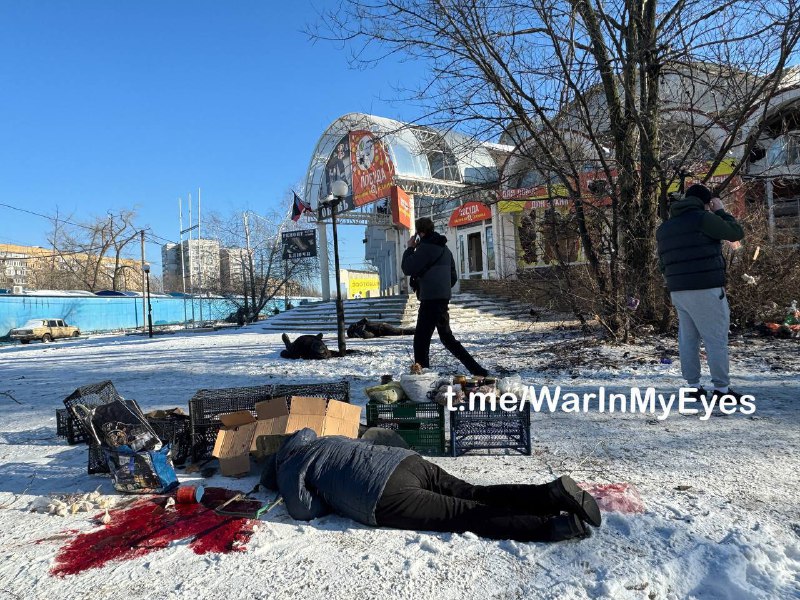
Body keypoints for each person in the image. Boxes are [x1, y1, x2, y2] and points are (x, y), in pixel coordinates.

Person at [261, 429, 601, 543]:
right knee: (473, 492)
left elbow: (304, 510)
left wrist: (326, 498)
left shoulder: (289, 468)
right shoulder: (323, 439)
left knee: (464, 514)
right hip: (405, 461)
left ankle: (556, 526)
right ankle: (550, 494)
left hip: (382, 494)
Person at [656, 183, 745, 401]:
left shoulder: (665, 228)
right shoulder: (704, 219)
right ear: (706, 203)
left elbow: (662, 263)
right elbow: (735, 233)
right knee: (715, 339)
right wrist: (721, 211)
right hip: (706, 288)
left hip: (678, 290)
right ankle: (722, 390)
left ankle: (693, 386)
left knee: (688, 339)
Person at [401, 217, 488, 376]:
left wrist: (409, 248)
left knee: (421, 341)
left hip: (430, 301)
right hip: (442, 300)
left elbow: (407, 268)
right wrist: (441, 287)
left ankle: (422, 378)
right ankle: (478, 370)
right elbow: (453, 277)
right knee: (448, 339)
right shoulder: (445, 250)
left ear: (420, 233)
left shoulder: (424, 248)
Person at [346, 317, 415, 339]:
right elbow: (365, 319)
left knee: (400, 331)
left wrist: (360, 335)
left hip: (382, 329)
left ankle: (416, 331)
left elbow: (368, 335)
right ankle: (415, 330)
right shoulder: (360, 325)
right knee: (400, 331)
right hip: (382, 326)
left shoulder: (359, 330)